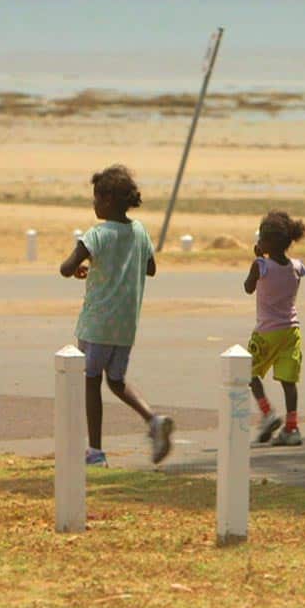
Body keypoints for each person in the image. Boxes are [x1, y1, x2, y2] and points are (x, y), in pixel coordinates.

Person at [60, 165, 174, 467]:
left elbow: (66, 267)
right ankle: (152, 419)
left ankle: (95, 451)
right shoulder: (139, 232)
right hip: (125, 325)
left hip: (97, 323)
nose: (94, 204)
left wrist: (82, 267)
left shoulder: (97, 234)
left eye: (96, 198)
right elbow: (150, 268)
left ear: (108, 200)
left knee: (91, 381)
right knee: (116, 380)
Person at [244, 211, 305, 446]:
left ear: (268, 243)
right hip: (291, 331)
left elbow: (248, 288)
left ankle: (267, 412)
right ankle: (292, 429)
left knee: (247, 372)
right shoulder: (297, 267)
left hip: (266, 332)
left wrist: (259, 259)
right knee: (288, 381)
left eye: (261, 238)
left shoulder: (261, 265)